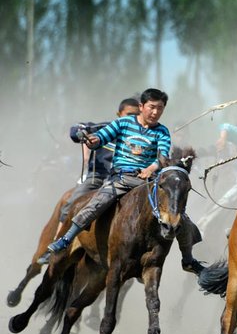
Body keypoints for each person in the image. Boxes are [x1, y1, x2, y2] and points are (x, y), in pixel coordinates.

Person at [46, 88, 205, 275]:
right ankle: (67, 239)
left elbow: (162, 157)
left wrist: (151, 169)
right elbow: (100, 138)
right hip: (121, 178)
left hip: (148, 183)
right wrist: (92, 140)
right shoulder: (123, 123)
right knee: (96, 203)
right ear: (141, 106)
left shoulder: (162, 132)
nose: (155, 112)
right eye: (151, 107)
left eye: (160, 108)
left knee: (180, 217)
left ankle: (188, 259)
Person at [36, 99, 141, 265]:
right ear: (119, 114)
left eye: (137, 115)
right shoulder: (105, 127)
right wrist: (80, 132)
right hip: (97, 178)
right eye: (130, 114)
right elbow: (78, 129)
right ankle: (58, 244)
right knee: (71, 203)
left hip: (125, 180)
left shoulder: (143, 135)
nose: (133, 118)